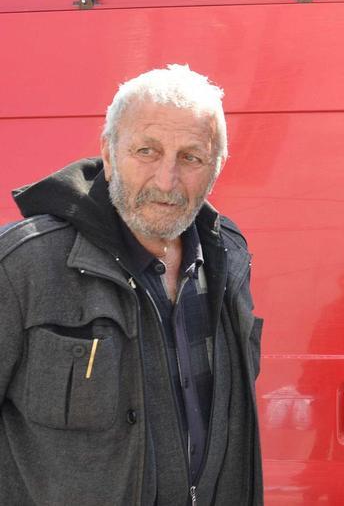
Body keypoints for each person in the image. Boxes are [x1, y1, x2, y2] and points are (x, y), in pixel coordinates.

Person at [0, 65, 264, 505]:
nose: (167, 181)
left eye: (191, 157)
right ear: (108, 152)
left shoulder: (228, 256)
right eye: (146, 151)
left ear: (216, 166)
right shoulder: (22, 265)